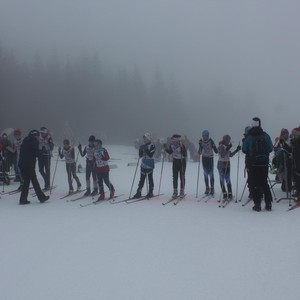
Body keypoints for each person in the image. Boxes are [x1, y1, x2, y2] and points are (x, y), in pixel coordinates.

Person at [242, 117, 273, 211]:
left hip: (253, 163)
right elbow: (271, 148)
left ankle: (257, 204)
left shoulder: (249, 136)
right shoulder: (265, 135)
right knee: (264, 182)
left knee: (255, 183)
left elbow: (244, 149)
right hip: (264, 163)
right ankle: (268, 204)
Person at [18, 130, 49, 205]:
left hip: (22, 164)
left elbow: (27, 151)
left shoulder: (25, 140)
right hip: (28, 165)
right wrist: (42, 151)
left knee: (26, 182)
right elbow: (36, 152)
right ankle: (41, 197)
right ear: (35, 136)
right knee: (34, 181)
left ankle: (23, 199)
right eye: (38, 136)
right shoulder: (33, 141)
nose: (39, 138)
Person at [217, 134, 241, 200]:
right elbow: (222, 155)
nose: (228, 141)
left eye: (229, 140)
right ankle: (224, 193)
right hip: (221, 164)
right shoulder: (221, 146)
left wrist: (237, 150)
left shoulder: (227, 146)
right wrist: (228, 148)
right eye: (227, 140)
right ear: (224, 140)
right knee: (222, 179)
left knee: (228, 179)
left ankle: (230, 193)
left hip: (227, 164)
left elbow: (230, 155)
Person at [132, 133, 156, 198]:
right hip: (143, 163)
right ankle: (138, 192)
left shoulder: (152, 145)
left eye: (145, 138)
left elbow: (151, 155)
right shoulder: (143, 145)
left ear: (148, 139)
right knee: (142, 179)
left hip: (150, 163)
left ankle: (150, 192)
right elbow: (140, 155)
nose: (144, 140)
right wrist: (140, 150)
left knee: (150, 178)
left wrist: (145, 149)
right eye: (144, 139)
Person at [164, 134, 187, 199]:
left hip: (182, 162)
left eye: (173, 139)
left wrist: (182, 148)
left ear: (177, 139)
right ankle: (175, 191)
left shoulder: (181, 145)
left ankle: (182, 191)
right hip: (175, 161)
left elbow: (185, 154)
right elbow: (170, 152)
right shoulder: (171, 145)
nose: (172, 140)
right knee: (175, 176)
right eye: (172, 139)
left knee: (182, 176)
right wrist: (166, 148)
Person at [198, 130, 218, 195]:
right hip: (204, 158)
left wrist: (214, 146)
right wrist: (200, 145)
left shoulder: (211, 141)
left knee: (211, 173)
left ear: (208, 136)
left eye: (205, 136)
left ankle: (212, 188)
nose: (204, 137)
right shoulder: (201, 141)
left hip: (210, 158)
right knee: (205, 174)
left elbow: (216, 151)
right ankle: (207, 188)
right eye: (203, 136)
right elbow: (199, 152)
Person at [273, 128, 292, 192]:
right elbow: (276, 150)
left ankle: (288, 186)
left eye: (287, 133)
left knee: (288, 174)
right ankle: (285, 185)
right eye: (285, 134)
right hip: (282, 161)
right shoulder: (280, 141)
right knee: (284, 173)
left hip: (289, 160)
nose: (286, 135)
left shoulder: (290, 141)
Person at [291, 127, 300, 201]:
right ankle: (298, 193)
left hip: (298, 161)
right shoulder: (296, 141)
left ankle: (299, 194)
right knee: (297, 177)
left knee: (298, 177)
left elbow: (297, 150)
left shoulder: (297, 141)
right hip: (296, 161)